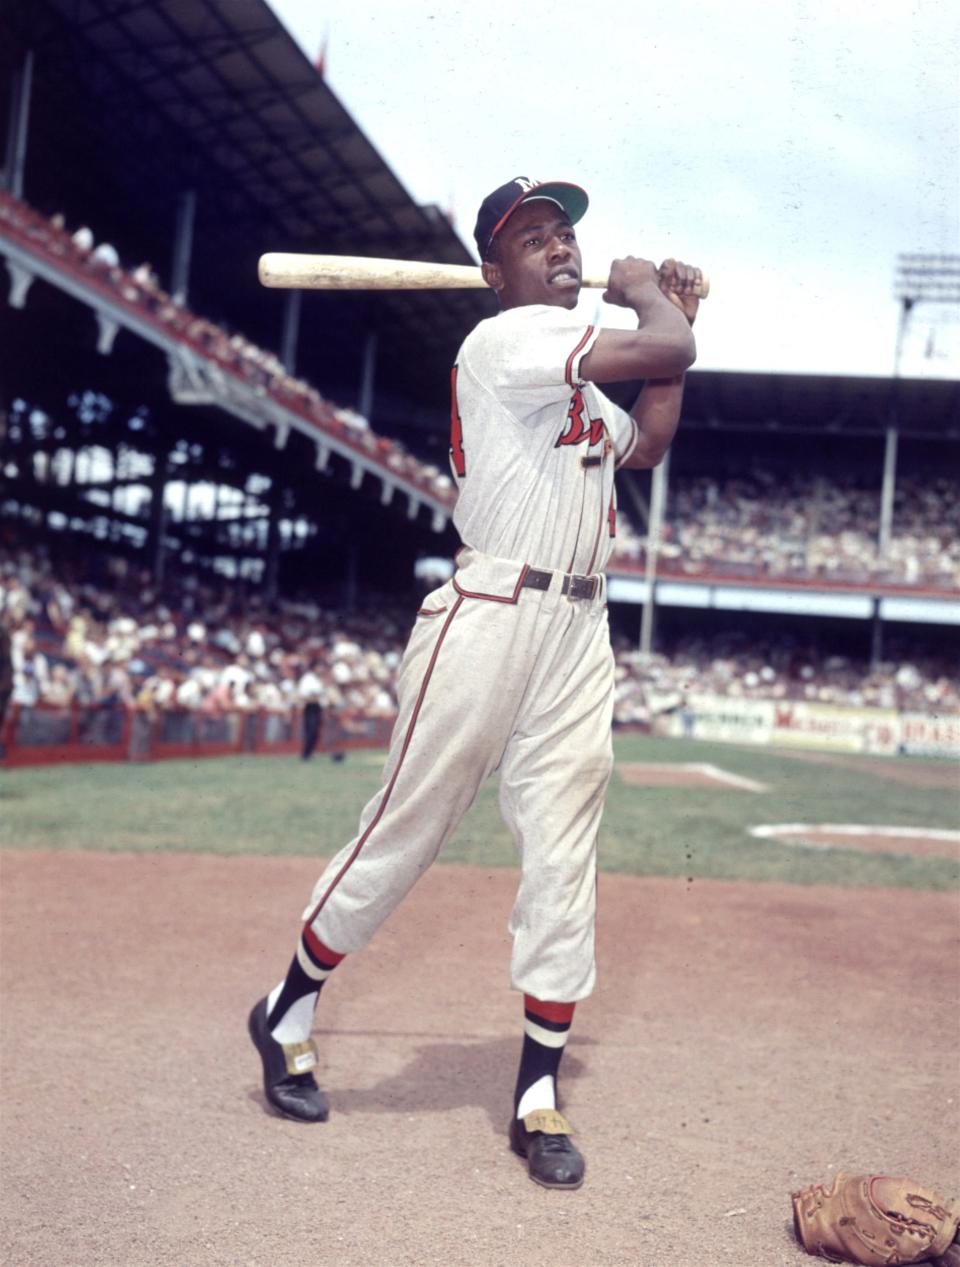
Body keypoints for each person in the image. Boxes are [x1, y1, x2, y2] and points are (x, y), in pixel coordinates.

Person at [248, 176, 701, 1190]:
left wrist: (680, 318)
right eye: (532, 240)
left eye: (566, 237)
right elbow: (662, 346)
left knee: (563, 851)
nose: (559, 249)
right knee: (409, 824)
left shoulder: (575, 382)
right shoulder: (505, 343)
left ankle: (537, 1093)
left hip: (580, 627)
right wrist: (645, 294)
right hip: (490, 610)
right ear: (495, 274)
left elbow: (653, 437)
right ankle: (287, 1011)